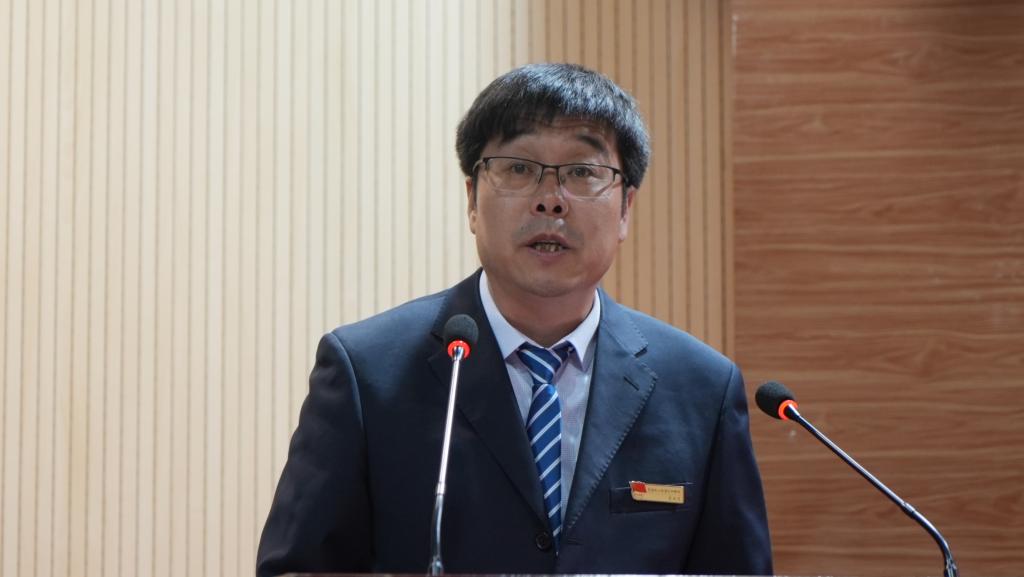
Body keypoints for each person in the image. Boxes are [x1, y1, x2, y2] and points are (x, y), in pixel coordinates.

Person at [256, 62, 772, 576]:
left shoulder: (701, 389)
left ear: (625, 210)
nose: (550, 200)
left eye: (582, 172)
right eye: (519, 168)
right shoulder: (367, 373)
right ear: (472, 200)